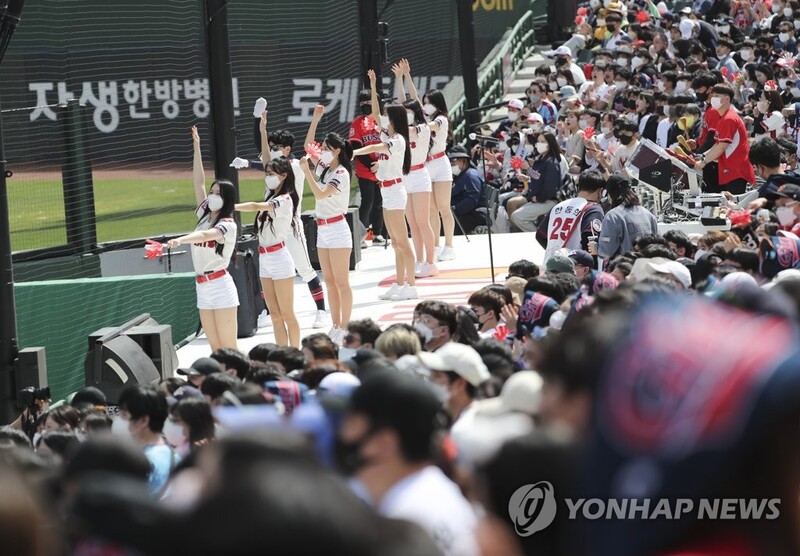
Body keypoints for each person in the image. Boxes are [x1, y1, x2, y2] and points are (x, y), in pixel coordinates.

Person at [339, 370, 480, 556]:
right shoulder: (432, 491)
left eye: (350, 423)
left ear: (384, 443)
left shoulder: (400, 523)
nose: (341, 433)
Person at [230, 100, 329, 329]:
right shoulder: (273, 166)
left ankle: (322, 311)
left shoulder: (294, 165)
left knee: (304, 268)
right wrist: (261, 128)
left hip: (289, 223)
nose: (272, 150)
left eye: (276, 147)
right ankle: (266, 311)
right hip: (268, 223)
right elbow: (266, 160)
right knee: (267, 268)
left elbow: (267, 161)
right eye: (271, 146)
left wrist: (249, 158)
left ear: (286, 149)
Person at [167, 126, 238, 352]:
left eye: (218, 193)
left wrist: (182, 239)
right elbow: (198, 182)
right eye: (212, 192)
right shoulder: (204, 214)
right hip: (202, 287)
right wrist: (196, 147)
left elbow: (208, 235)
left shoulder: (228, 224)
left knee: (229, 348)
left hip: (220, 285)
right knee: (215, 348)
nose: (212, 196)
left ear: (226, 199)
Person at [353, 69, 418, 303]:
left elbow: (374, 149)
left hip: (395, 190)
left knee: (402, 241)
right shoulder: (386, 133)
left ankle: (411, 284)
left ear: (394, 120)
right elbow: (375, 110)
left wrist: (355, 151)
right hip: (387, 189)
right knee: (395, 243)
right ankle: (399, 283)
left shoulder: (398, 140)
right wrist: (372, 84)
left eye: (387, 117)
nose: (382, 118)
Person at [236, 123, 301, 347]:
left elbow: (255, 206)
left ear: (284, 176)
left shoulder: (284, 199)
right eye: (266, 174)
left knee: (287, 313)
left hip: (280, 258)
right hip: (265, 258)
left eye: (272, 174)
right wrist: (261, 129)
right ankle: (282, 351)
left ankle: (295, 351)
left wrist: (232, 207)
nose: (268, 177)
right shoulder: (270, 196)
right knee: (274, 314)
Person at [300, 105, 354, 346]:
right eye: (322, 148)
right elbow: (308, 146)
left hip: (338, 229)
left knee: (342, 282)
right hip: (323, 229)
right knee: (329, 280)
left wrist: (306, 173)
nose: (321, 151)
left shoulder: (340, 173)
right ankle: (335, 324)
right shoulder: (324, 166)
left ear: (338, 151)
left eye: (326, 149)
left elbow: (321, 194)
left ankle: (345, 326)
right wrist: (315, 119)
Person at [405, 68, 456, 261]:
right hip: (426, 166)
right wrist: (408, 76)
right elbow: (414, 99)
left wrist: (412, 129)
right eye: (425, 103)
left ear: (437, 104)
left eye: (429, 103)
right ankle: (435, 245)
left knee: (444, 207)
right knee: (432, 210)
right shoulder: (424, 118)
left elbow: (429, 128)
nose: (425, 106)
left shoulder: (441, 119)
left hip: (441, 165)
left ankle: (449, 245)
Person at [395, 61, 437, 278]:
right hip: (405, 176)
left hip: (420, 175)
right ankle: (420, 260)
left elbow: (415, 104)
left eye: (408, 112)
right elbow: (404, 103)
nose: (405, 114)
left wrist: (408, 77)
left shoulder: (421, 128)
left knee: (422, 221)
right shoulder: (405, 128)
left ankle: (431, 262)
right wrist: (399, 79)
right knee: (412, 223)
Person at [114, 385, 175, 495]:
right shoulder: (173, 455)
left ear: (143, 421)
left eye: (123, 415)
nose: (117, 419)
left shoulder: (142, 463)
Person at [696, 82, 755, 194]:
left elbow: (722, 146)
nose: (713, 98)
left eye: (717, 96)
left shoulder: (729, 118)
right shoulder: (723, 117)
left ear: (727, 99)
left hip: (736, 169)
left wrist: (704, 161)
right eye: (713, 96)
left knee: (736, 208)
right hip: (730, 168)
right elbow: (717, 144)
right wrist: (703, 156)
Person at [539, 171, 606, 262]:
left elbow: (540, 235)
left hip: (551, 262)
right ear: (599, 191)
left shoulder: (558, 206)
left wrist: (558, 251)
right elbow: (590, 240)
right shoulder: (593, 209)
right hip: (574, 268)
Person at [349, 89, 386, 246]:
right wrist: (371, 165)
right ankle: (362, 235)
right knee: (368, 201)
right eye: (362, 103)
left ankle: (377, 234)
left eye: (369, 102)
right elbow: (356, 148)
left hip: (383, 168)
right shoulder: (357, 123)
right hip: (365, 169)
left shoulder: (383, 121)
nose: (365, 105)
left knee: (380, 201)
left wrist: (380, 165)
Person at [506, 132, 563, 232]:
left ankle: (538, 238)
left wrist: (528, 169)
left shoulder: (551, 162)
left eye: (543, 141)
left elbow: (550, 186)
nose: (539, 144)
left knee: (517, 217)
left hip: (548, 200)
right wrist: (526, 178)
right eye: (538, 141)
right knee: (514, 209)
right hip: (537, 198)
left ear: (550, 144)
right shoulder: (541, 159)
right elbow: (538, 178)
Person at [596, 175, 659, 260]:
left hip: (624, 268)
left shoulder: (613, 216)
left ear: (611, 194)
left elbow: (606, 252)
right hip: (647, 266)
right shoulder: (649, 215)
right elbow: (657, 245)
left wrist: (596, 248)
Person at [448, 146, 486, 234]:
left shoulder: (470, 176)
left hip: (473, 215)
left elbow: (472, 200)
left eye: (453, 161)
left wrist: (454, 209)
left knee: (445, 225)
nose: (450, 164)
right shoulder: (459, 176)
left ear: (463, 160)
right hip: (463, 213)